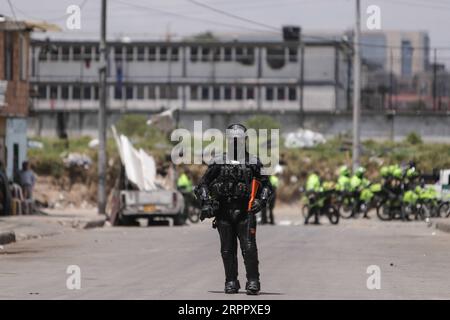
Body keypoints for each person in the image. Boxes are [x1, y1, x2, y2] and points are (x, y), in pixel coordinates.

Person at [195, 124, 271, 295]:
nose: (235, 143)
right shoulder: (218, 161)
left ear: (245, 141)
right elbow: (202, 185)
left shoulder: (254, 162)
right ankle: (231, 281)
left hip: (246, 210)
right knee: (227, 249)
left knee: (249, 247)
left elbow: (267, 186)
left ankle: (253, 281)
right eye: (232, 140)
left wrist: (262, 200)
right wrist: (207, 202)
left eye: (238, 140)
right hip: (223, 211)